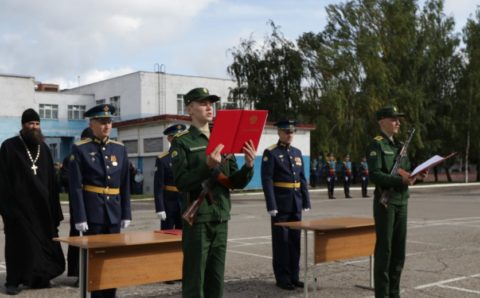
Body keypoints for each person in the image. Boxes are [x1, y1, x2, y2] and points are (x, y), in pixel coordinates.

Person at [170, 87, 256, 298]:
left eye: (211, 103)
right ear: (189, 108)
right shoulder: (182, 141)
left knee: (216, 280)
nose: (209, 107)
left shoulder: (224, 137)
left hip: (221, 217)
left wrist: (248, 166)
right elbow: (181, 182)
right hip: (198, 219)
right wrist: (206, 166)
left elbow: (234, 181)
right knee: (195, 280)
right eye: (202, 103)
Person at [68, 104, 132, 298]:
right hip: (92, 212)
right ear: (92, 123)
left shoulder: (119, 149)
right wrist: (80, 216)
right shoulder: (80, 149)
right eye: (102, 122)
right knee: (95, 263)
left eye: (109, 122)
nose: (107, 126)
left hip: (113, 212)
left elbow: (125, 184)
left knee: (111, 261)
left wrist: (126, 212)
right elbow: (76, 187)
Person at [0, 108, 65, 295]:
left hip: (42, 208)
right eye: (30, 124)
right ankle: (13, 281)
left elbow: (52, 180)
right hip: (19, 209)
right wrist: (7, 209)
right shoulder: (9, 147)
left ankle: (38, 278)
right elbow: (3, 180)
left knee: (42, 244)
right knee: (17, 244)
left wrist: (55, 208)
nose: (34, 127)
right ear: (23, 125)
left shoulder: (43, 148)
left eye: (37, 124)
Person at [366, 106, 426, 298]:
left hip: (402, 202)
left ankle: (394, 293)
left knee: (399, 253)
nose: (398, 122)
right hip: (386, 203)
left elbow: (405, 171)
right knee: (385, 251)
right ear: (382, 121)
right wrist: (400, 179)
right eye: (394, 119)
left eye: (398, 119)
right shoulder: (376, 145)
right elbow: (375, 175)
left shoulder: (400, 145)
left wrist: (417, 175)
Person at [261, 120, 311, 291]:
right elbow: (267, 180)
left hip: (296, 203)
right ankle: (282, 278)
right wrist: (271, 204)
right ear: (279, 133)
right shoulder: (271, 153)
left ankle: (294, 276)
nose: (289, 134)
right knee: (281, 242)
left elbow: (302, 179)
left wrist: (306, 200)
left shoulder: (297, 152)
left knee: (295, 241)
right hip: (280, 205)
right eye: (286, 132)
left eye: (292, 132)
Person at [61, 127, 94, 285]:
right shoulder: (71, 157)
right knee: (78, 240)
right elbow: (64, 177)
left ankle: (90, 273)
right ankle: (78, 273)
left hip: (94, 205)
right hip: (79, 205)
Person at [154, 123, 186, 230]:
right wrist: (160, 208)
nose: (179, 139)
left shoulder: (188, 157)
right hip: (169, 205)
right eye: (175, 137)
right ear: (169, 138)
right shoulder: (163, 159)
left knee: (185, 236)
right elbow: (158, 187)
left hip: (185, 204)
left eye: (181, 136)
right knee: (165, 236)